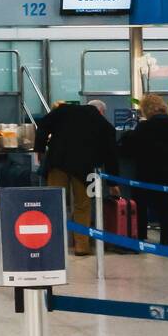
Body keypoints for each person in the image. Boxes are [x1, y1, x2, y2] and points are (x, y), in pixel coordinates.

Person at [34, 98, 118, 255]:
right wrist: (113, 182)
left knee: (54, 203)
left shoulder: (64, 110)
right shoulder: (100, 121)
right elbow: (111, 153)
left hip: (57, 163)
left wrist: (39, 149)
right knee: (82, 206)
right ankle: (81, 246)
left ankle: (53, 243)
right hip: (84, 169)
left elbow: (43, 125)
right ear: (101, 111)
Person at [118, 93, 168, 245]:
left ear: (145, 110)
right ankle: (165, 239)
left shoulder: (144, 128)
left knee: (142, 207)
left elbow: (127, 151)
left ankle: (142, 236)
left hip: (147, 174)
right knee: (166, 209)